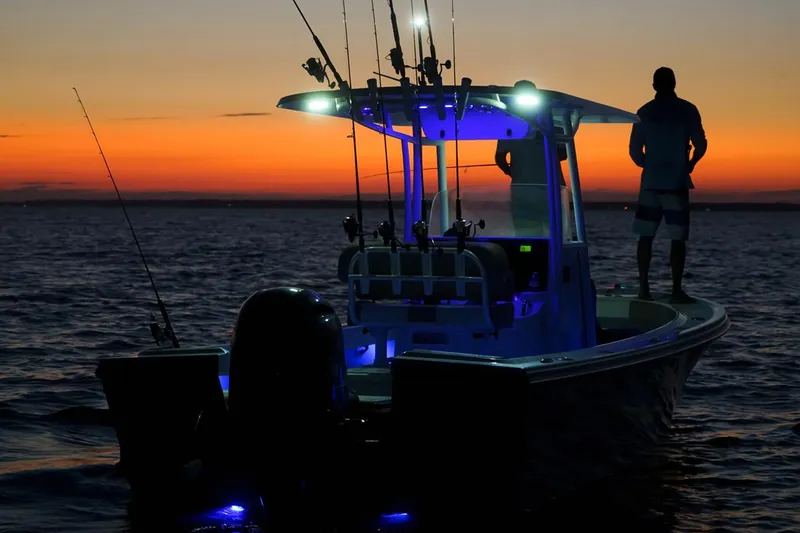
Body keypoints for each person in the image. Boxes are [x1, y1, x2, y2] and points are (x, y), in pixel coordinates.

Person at [629, 67, 707, 303]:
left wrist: (649, 164)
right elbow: (701, 144)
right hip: (677, 182)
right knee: (677, 238)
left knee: (645, 237)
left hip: (651, 184)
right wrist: (690, 163)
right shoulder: (687, 110)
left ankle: (644, 288)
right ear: (674, 84)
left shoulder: (644, 112)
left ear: (654, 86)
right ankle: (675, 289)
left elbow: (634, 152)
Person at [495, 81, 568, 236]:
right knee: (537, 239)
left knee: (532, 237)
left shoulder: (554, 128)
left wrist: (513, 171)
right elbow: (563, 155)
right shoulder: (510, 128)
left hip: (544, 191)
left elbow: (500, 158)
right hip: (539, 192)